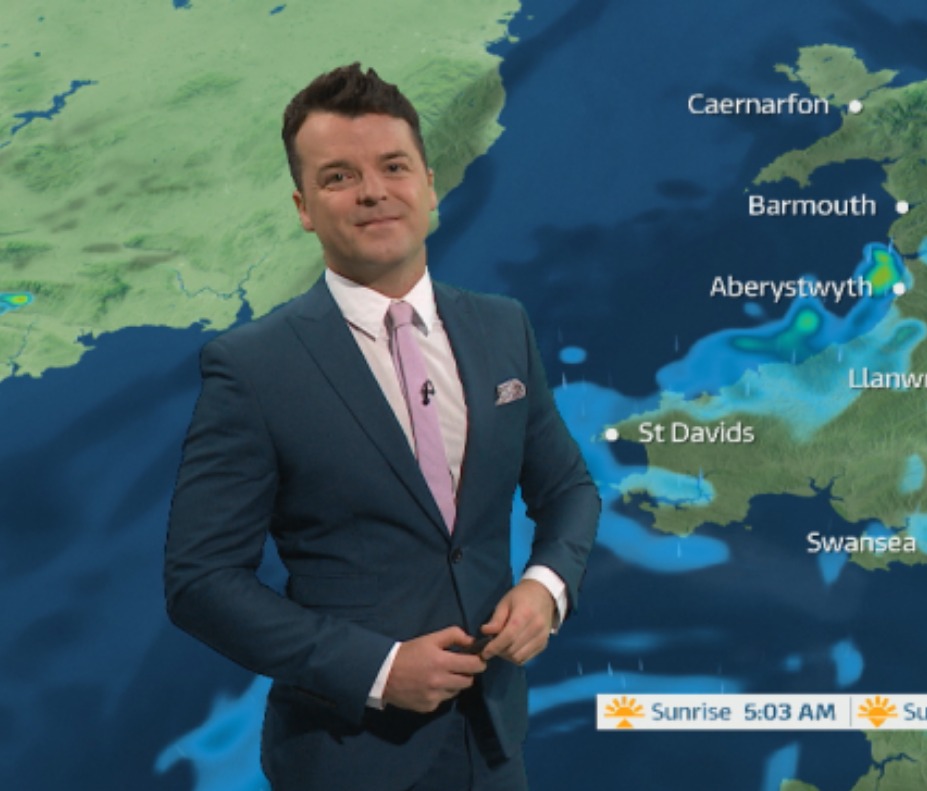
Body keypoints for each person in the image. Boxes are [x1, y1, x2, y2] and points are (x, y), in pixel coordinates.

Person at [164, 63, 600, 791]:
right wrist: (378, 668)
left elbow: (568, 490)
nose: (372, 191)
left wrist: (545, 587)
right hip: (348, 755)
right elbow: (200, 581)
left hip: (494, 745)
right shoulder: (252, 367)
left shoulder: (502, 329)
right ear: (304, 207)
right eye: (339, 177)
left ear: (429, 184)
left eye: (393, 167)